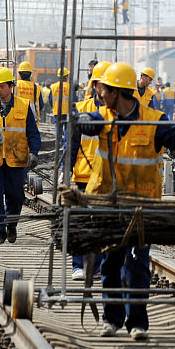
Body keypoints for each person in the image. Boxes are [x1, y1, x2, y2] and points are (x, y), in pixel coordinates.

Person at [79, 62, 175, 340]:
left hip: (143, 208)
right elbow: (90, 125)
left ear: (118, 92)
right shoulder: (103, 117)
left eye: (103, 89)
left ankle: (138, 323)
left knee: (137, 265)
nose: (99, 93)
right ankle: (112, 319)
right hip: (109, 204)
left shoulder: (155, 120)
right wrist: (84, 123)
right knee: (111, 263)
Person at [0, 67, 41, 244]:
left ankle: (11, 225)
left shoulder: (24, 106)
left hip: (17, 160)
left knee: (16, 196)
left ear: (11, 86)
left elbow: (33, 133)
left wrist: (35, 153)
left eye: (2, 86)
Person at [69, 61, 110, 282]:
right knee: (82, 221)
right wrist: (65, 169)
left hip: (108, 177)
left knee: (103, 223)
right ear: (94, 86)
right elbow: (73, 142)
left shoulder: (117, 111)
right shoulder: (82, 109)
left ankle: (98, 266)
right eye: (100, 84)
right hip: (84, 175)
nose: (104, 90)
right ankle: (78, 265)